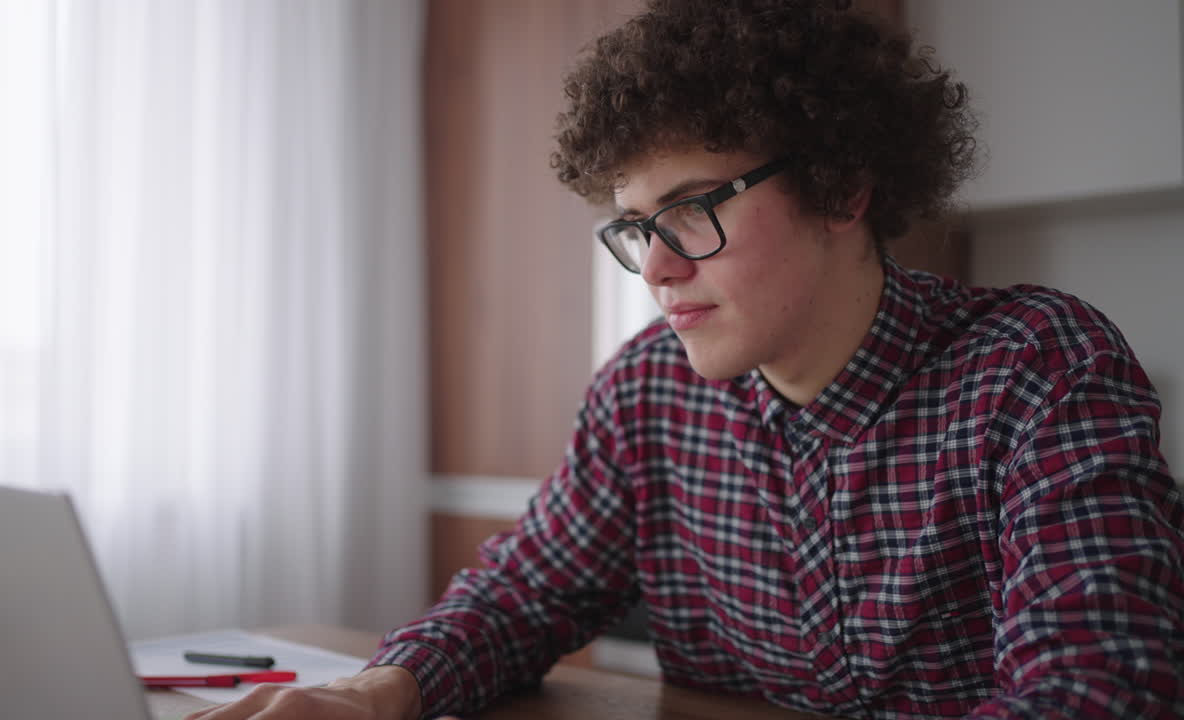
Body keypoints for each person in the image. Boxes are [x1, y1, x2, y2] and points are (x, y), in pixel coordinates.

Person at [186, 0, 1184, 718]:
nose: (655, 266)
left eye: (694, 209)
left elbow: (1087, 692)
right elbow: (526, 592)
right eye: (632, 226)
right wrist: (375, 693)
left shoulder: (1035, 368)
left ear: (841, 191)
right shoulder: (646, 389)